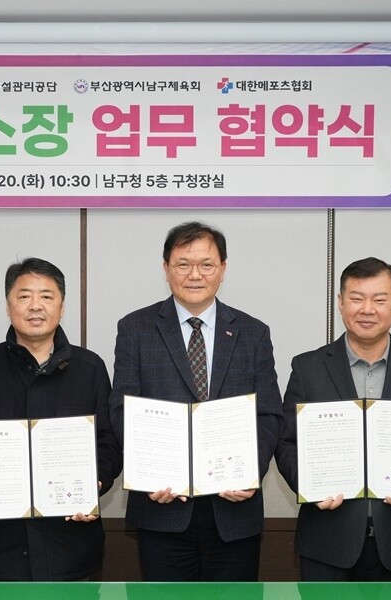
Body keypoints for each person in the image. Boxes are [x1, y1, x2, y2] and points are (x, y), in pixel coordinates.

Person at [109, 221, 283, 581]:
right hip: (161, 506)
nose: (194, 275)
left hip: (234, 510)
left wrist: (249, 473)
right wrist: (149, 471)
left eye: (206, 264)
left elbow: (268, 414)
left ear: (223, 268)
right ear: (165, 268)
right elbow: (122, 408)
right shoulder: (135, 329)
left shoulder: (253, 332)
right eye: (183, 264)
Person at [276, 256, 391, 581]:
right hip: (326, 543)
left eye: (379, 300)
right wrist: (310, 485)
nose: (367, 310)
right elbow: (285, 442)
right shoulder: (308, 368)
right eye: (357, 298)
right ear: (340, 302)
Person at [0, 257, 122, 581]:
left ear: (62, 307)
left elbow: (108, 444)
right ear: (8, 306)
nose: (35, 306)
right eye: (24, 296)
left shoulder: (90, 368)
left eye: (46, 296)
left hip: (71, 546)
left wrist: (93, 485)